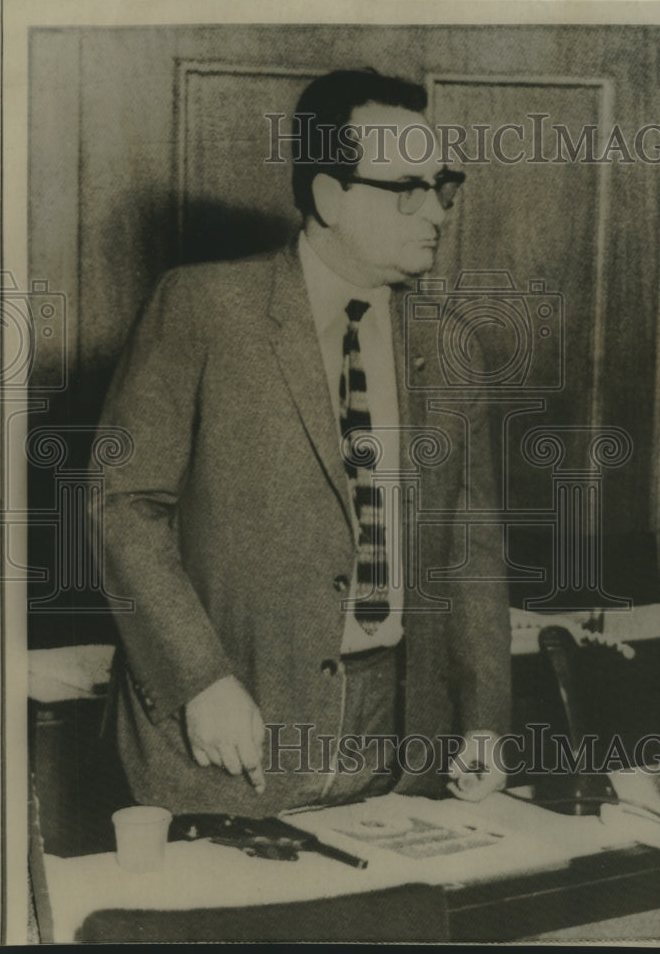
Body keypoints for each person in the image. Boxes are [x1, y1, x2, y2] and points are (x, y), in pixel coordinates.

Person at [95, 68, 511, 818]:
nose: (437, 212)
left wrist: (482, 719)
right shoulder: (200, 308)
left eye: (443, 184)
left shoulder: (450, 347)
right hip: (227, 741)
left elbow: (469, 547)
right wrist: (200, 681)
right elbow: (124, 509)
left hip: (399, 748)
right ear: (328, 195)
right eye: (407, 188)